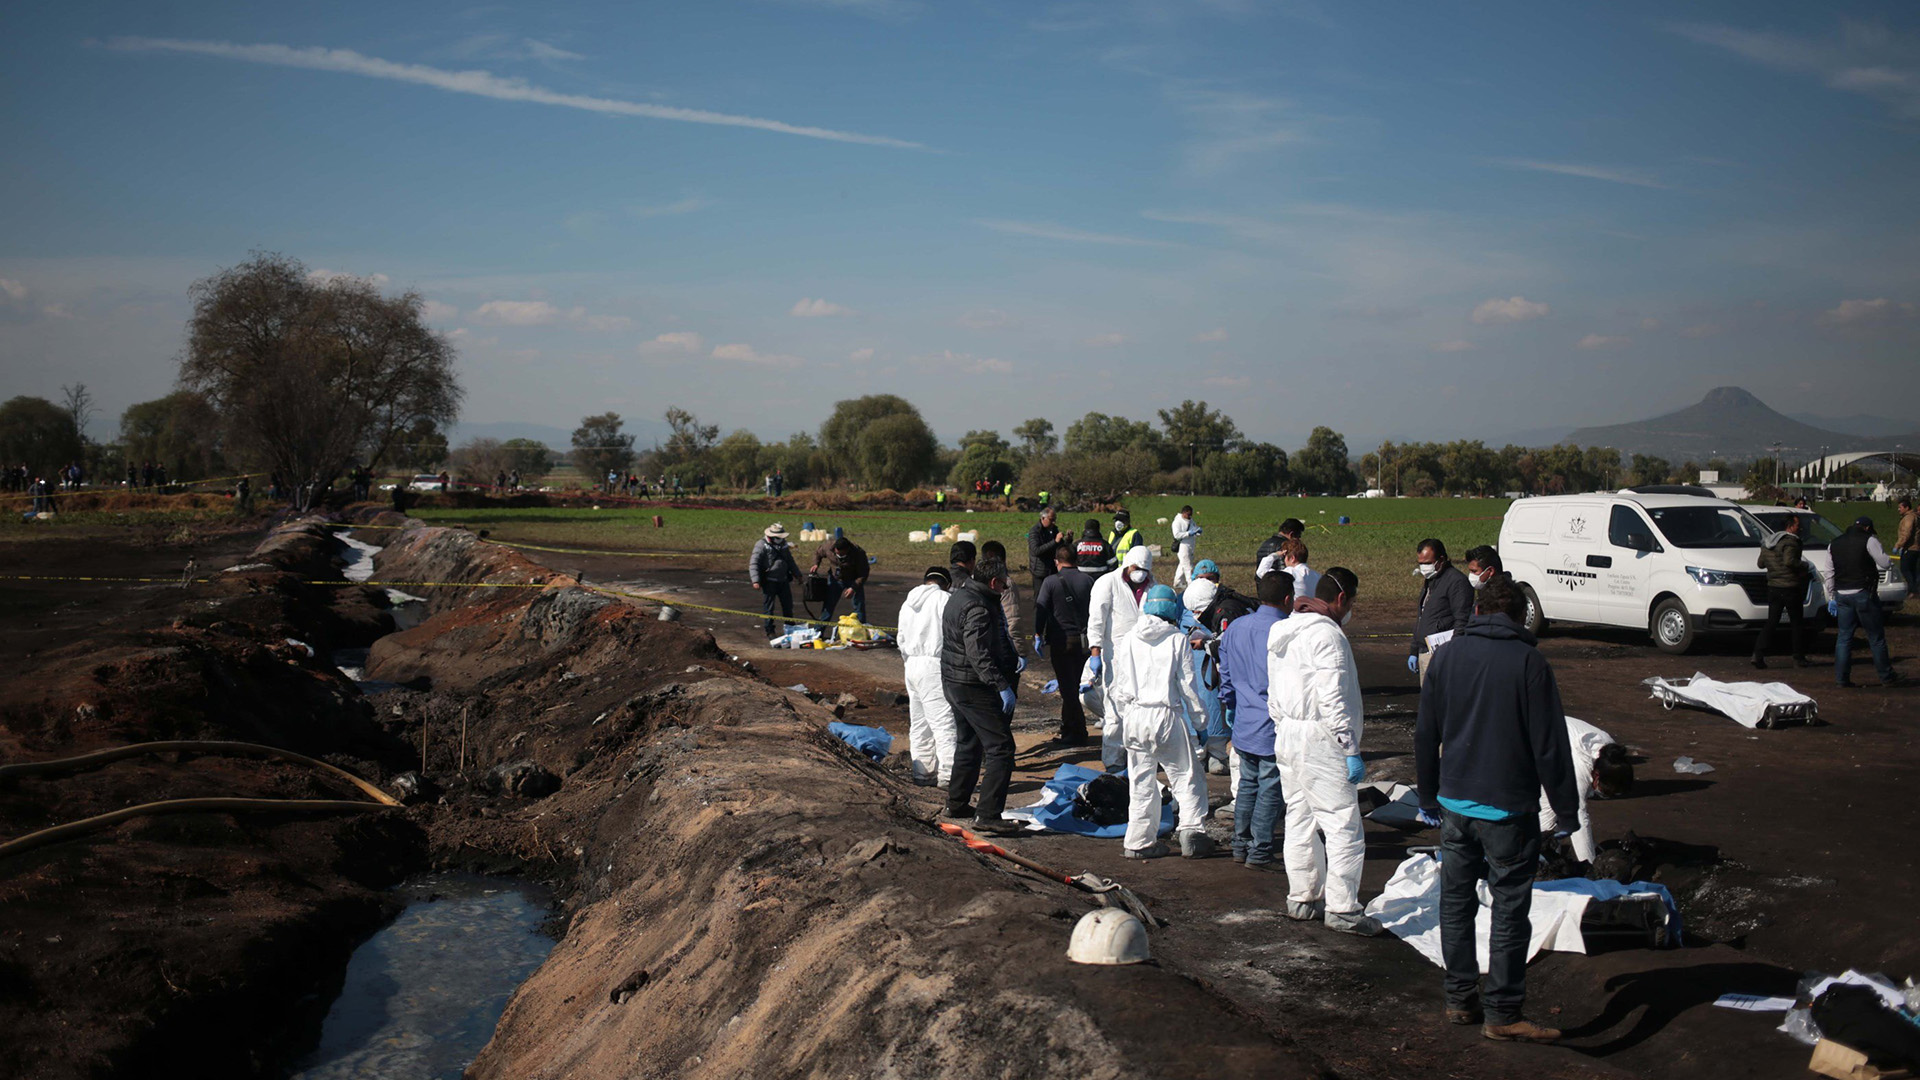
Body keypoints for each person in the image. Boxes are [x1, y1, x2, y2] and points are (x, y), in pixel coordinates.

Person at [1413, 575, 1578, 1043]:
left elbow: (1426, 732)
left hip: (1454, 806)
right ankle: (1502, 1013)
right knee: (1509, 909)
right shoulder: (1529, 662)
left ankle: (1459, 999)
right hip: (1507, 809)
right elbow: (1550, 746)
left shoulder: (1447, 656)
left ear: (1480, 610)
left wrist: (1428, 796)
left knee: (1457, 903)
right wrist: (1566, 812)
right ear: (1519, 615)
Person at [1268, 567, 1380, 936]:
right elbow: (1333, 698)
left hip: (1287, 733)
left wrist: (1284, 727)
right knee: (1342, 823)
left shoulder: (1281, 631)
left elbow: (1274, 689)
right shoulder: (1327, 636)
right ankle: (1343, 907)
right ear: (1343, 599)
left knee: (1300, 818)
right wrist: (1348, 746)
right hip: (1321, 736)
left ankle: (1303, 897)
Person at [1107, 584, 1216, 859]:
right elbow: (1188, 687)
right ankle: (1192, 832)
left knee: (1141, 782)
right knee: (1186, 776)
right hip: (1165, 716)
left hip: (1134, 717)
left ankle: (1138, 842)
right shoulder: (1177, 640)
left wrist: (1125, 717)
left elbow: (1119, 686)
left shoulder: (1129, 638)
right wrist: (1200, 724)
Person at [941, 554, 1023, 836]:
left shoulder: (961, 594)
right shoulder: (979, 605)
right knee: (1001, 747)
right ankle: (988, 814)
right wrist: (1000, 684)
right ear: (992, 581)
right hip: (972, 685)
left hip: (954, 679)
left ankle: (957, 803)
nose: (1004, 589)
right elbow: (977, 651)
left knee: (968, 743)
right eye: (1003, 584)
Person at [1219, 570, 1293, 869]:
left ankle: (1241, 845)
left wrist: (1229, 703)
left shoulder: (1237, 626)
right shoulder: (1286, 631)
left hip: (1244, 721)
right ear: (1288, 599)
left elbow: (1224, 670)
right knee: (1269, 787)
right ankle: (1260, 849)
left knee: (1248, 784)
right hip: (1272, 723)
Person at [1089, 546, 1156, 770]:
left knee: (1141, 710)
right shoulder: (1107, 583)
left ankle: (1137, 759)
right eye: (1137, 568)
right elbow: (1096, 619)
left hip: (1144, 656)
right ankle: (1113, 762)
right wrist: (1095, 652)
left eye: (1144, 570)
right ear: (1128, 564)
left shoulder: (1153, 586)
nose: (1140, 574)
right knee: (1114, 711)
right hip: (1115, 655)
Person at [1538, 717, 1634, 865]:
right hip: (1537, 745)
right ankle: (1547, 865)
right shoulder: (1579, 771)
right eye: (1606, 791)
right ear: (1596, 776)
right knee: (1546, 821)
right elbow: (1579, 820)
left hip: (1554, 744)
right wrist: (1591, 865)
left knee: (1553, 814)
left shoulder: (1611, 755)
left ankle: (1551, 857)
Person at [1825, 516, 1905, 688]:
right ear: (1868, 528)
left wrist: (1832, 596)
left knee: (1844, 638)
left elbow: (1829, 573)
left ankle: (1841, 679)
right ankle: (1886, 676)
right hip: (1863, 593)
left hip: (1842, 595)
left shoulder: (1834, 543)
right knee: (1876, 638)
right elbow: (1884, 563)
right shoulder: (1869, 540)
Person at [897, 566, 958, 787]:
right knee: (943, 723)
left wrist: (909, 661)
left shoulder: (908, 603)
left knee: (920, 723)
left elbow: (901, 638)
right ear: (947, 584)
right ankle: (949, 776)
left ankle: (922, 772)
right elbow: (951, 634)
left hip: (911, 664)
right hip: (934, 663)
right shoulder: (945, 599)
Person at [1034, 544, 1096, 747]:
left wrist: (1037, 634)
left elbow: (1041, 609)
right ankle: (1068, 726)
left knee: (1067, 688)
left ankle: (1077, 732)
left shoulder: (1050, 582)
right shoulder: (1088, 581)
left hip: (1061, 641)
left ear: (1056, 562)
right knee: (1075, 683)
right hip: (1084, 640)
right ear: (1076, 560)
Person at [1752, 512, 1813, 669]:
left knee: (1771, 622)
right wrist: (1805, 566)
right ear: (1790, 526)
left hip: (1773, 586)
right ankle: (1798, 657)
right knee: (1796, 623)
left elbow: (1760, 564)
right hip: (1790, 586)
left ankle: (1758, 653)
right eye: (1798, 526)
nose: (1800, 529)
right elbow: (1789, 561)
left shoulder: (1767, 543)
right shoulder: (1791, 542)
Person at [1409, 538, 1474, 684]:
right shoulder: (1431, 580)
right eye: (1421, 563)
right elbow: (1422, 615)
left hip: (1441, 654)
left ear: (1441, 559)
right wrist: (1414, 649)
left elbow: (1462, 620)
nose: (1424, 567)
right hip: (1425, 651)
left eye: (1427, 563)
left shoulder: (1457, 582)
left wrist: (1453, 652)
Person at [749, 523, 804, 640]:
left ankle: (790, 627)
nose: (781, 539)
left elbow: (790, 561)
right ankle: (770, 631)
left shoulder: (784, 545)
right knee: (769, 608)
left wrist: (798, 574)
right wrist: (755, 580)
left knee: (788, 606)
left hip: (783, 581)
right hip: (769, 582)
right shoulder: (761, 545)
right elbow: (754, 563)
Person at [811, 529, 871, 624]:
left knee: (859, 607)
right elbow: (818, 553)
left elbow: (864, 573)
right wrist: (816, 564)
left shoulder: (858, 553)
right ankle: (818, 631)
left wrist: (853, 587)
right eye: (837, 553)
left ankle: (861, 631)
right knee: (828, 606)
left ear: (847, 550)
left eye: (842, 554)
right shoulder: (828, 547)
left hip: (854, 579)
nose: (839, 555)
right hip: (835, 579)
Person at [1260, 539, 1320, 603]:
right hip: (1315, 611)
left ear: (1292, 558)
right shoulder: (1318, 576)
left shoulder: (1289, 573)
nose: (1284, 560)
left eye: (1284, 557)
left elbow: (1261, 571)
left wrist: (1275, 555)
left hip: (1294, 612)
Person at [1027, 506, 1062, 593]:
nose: (1053, 522)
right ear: (1043, 518)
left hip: (1052, 569)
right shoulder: (1034, 531)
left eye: (1055, 519)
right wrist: (1055, 541)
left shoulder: (1054, 530)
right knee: (1040, 598)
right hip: (1040, 571)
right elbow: (1036, 550)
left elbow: (1059, 546)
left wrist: (1068, 540)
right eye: (1051, 519)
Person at [1171, 505, 1201, 590]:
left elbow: (1194, 529)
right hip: (1182, 547)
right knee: (1188, 567)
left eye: (1191, 515)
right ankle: (1191, 584)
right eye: (1188, 514)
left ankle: (1177, 583)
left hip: (1190, 546)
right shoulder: (1177, 522)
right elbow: (1176, 535)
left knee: (1182, 565)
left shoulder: (1190, 520)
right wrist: (1188, 533)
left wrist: (1198, 531)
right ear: (1183, 513)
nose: (1190, 516)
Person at [1895, 496, 1918, 602]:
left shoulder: (1909, 518)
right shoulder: (1914, 516)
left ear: (1906, 507)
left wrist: (1898, 545)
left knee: (1905, 569)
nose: (1898, 509)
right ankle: (1913, 590)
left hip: (1910, 547)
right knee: (1913, 570)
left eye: (1900, 507)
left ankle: (1913, 591)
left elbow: (1906, 533)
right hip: (1915, 547)